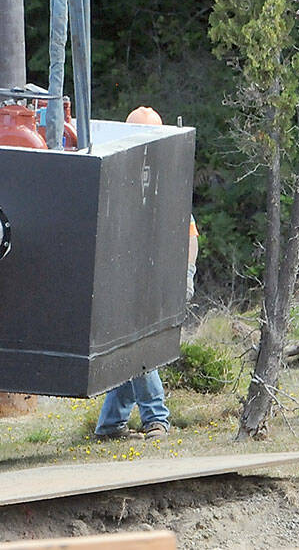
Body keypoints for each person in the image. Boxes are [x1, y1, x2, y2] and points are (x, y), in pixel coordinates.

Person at [93, 106, 201, 441]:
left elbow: (188, 235)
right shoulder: (122, 175)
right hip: (130, 278)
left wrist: (184, 275)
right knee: (138, 349)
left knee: (139, 348)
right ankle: (152, 419)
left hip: (157, 277)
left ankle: (115, 424)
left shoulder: (165, 178)